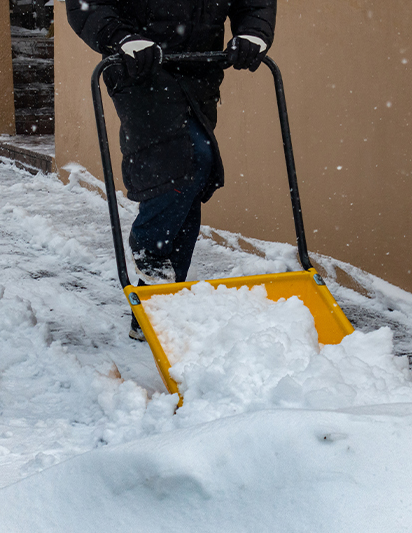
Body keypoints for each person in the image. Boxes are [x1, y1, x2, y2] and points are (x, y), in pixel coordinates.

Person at [66, 0, 277, 340]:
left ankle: (157, 310)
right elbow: (88, 5)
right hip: (140, 69)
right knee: (190, 158)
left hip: (200, 73)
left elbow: (254, 3)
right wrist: (123, 38)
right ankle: (148, 245)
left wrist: (253, 33)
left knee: (189, 186)